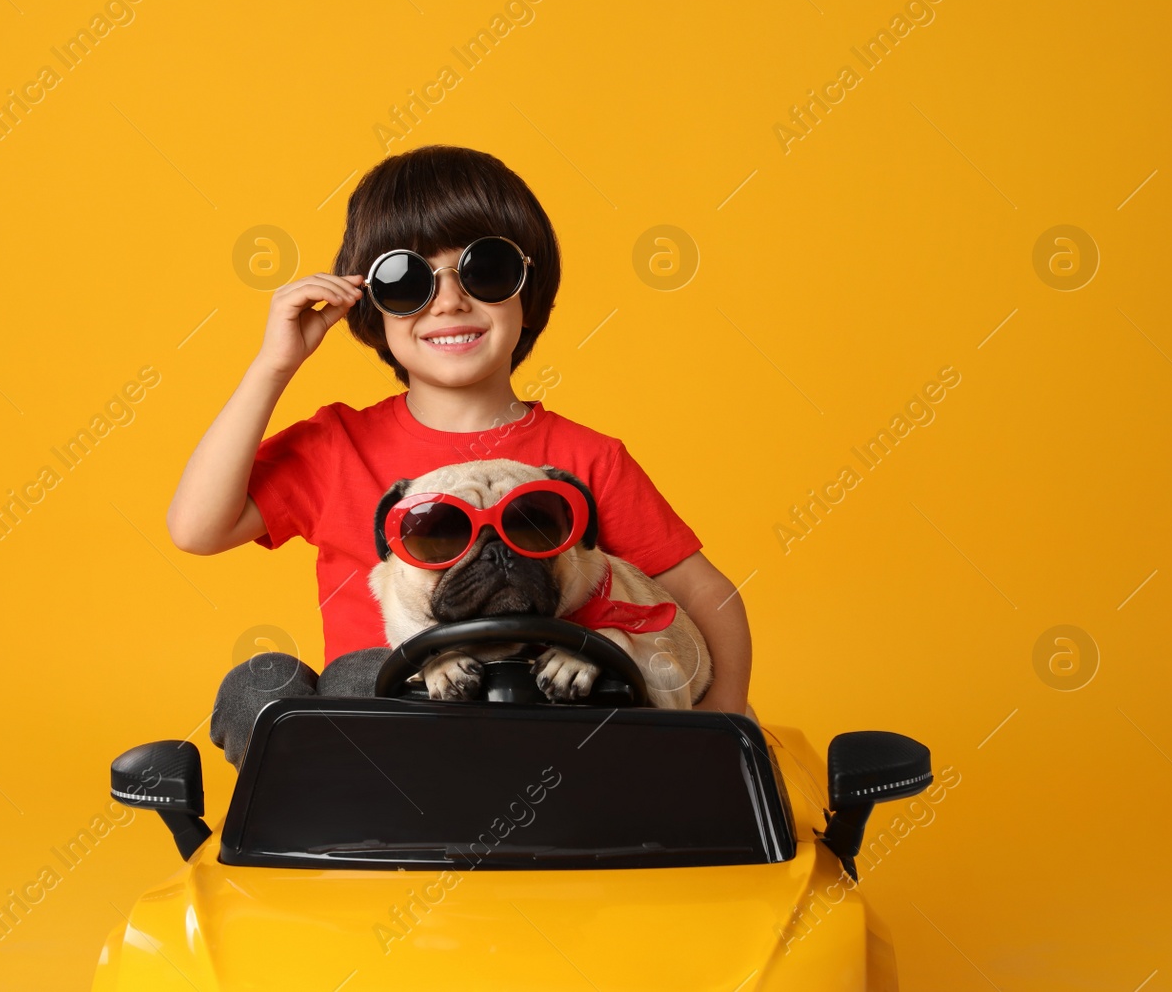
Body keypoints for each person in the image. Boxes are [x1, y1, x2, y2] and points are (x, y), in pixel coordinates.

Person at [167, 145, 753, 766]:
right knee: (281, 683)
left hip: (548, 746)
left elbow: (706, 595)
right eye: (406, 280)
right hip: (376, 744)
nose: (448, 302)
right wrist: (274, 366)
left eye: (487, 271)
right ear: (369, 304)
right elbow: (196, 528)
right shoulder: (335, 445)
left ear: (529, 293)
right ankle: (325, 793)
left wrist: (725, 730)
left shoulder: (587, 458)